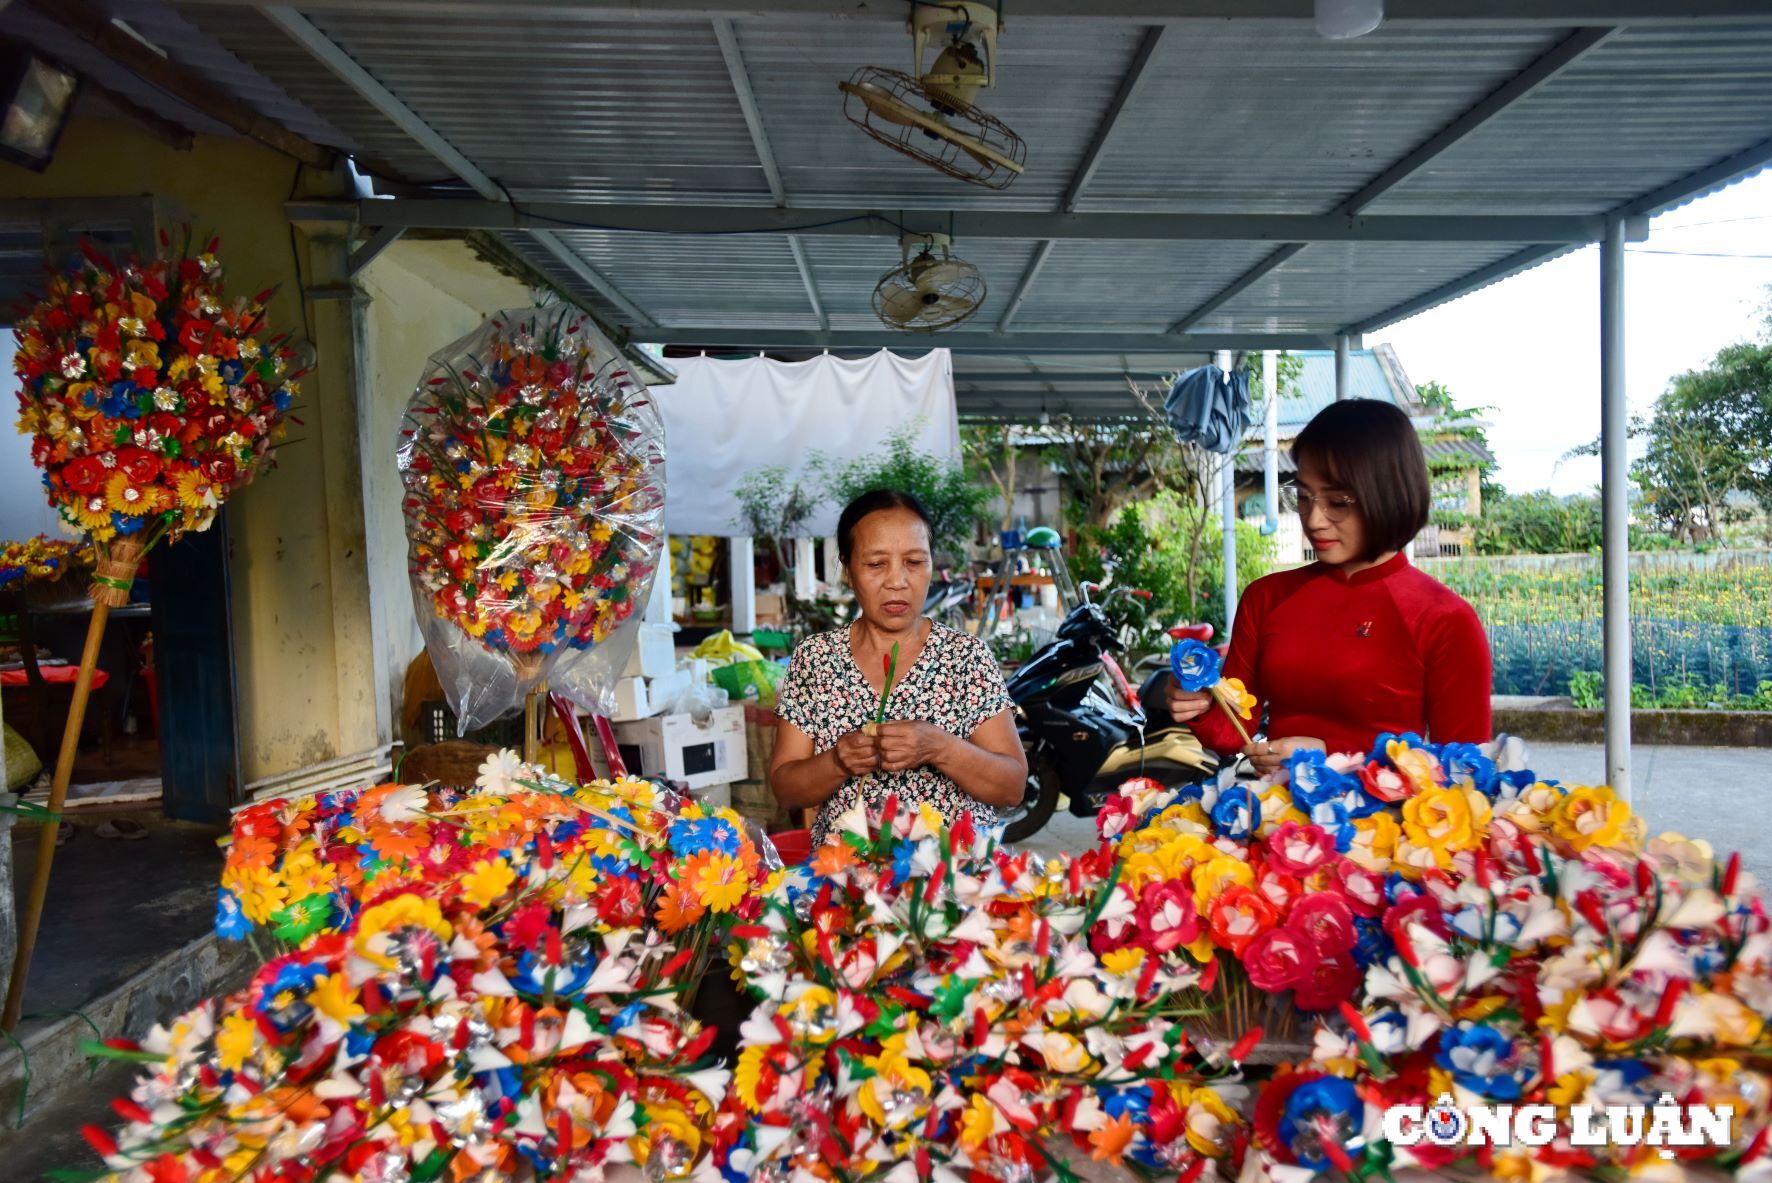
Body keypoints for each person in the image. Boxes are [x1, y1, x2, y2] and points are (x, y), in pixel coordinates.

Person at [1166, 398, 1492, 775]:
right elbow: (1232, 732)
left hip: (1389, 831)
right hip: (1275, 822)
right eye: (1303, 497)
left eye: (1337, 501)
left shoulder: (1445, 620)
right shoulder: (1266, 598)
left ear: (1388, 493)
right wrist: (1200, 703)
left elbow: (1467, 779)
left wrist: (1331, 757)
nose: (1314, 519)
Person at [771, 489, 1027, 848]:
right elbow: (785, 791)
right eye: (876, 564)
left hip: (952, 884)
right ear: (847, 570)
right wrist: (837, 761)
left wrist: (940, 747)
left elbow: (1012, 788)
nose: (897, 581)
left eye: (914, 562)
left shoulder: (965, 657)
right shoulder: (815, 659)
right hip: (847, 886)